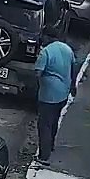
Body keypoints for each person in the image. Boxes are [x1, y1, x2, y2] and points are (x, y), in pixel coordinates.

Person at [33, 27, 78, 166]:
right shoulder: (67, 49)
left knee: (44, 125)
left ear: (48, 37)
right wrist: (73, 86)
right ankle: (50, 145)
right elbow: (74, 67)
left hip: (48, 95)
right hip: (63, 93)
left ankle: (43, 156)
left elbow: (38, 73)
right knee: (54, 121)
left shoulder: (45, 52)